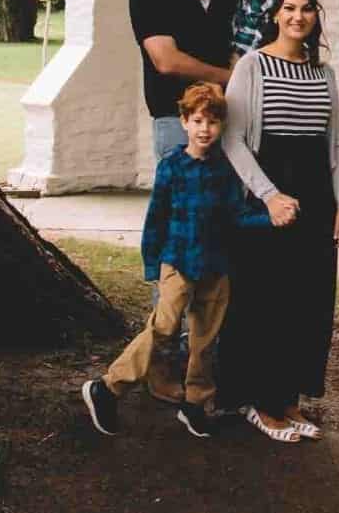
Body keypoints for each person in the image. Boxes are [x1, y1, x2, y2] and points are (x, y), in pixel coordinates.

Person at [81, 83, 269, 439]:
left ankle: (195, 403)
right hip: (178, 262)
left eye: (212, 122)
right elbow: (156, 218)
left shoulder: (227, 169)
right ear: (184, 122)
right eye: (197, 120)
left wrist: (269, 217)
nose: (204, 129)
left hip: (216, 266)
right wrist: (153, 266)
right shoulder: (172, 167)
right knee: (164, 327)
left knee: (204, 338)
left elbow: (236, 215)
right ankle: (107, 387)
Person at [220, 0, 339, 442]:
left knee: (308, 302)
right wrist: (269, 195)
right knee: (264, 301)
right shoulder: (252, 66)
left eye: (307, 8)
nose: (298, 16)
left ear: (316, 15)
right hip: (268, 197)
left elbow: (333, 145)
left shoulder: (324, 74)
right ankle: (259, 402)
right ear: (276, 14)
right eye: (290, 8)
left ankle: (291, 399)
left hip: (316, 196)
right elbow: (232, 139)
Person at [127, 0, 238, 393]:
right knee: (180, 241)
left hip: (231, 126)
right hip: (177, 126)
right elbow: (167, 61)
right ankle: (162, 362)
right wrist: (232, 77)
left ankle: (205, 364)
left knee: (219, 240)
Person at [130, 0, 238, 166]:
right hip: (177, 122)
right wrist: (233, 77)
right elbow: (166, 61)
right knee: (185, 206)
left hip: (231, 118)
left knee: (231, 205)